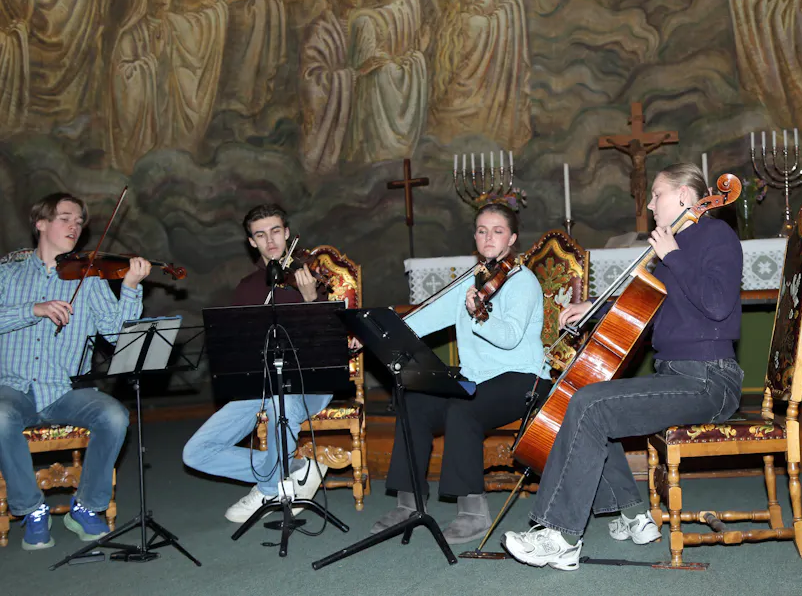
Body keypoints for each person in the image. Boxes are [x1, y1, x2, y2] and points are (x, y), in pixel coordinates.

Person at [502, 162, 744, 570]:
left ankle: (560, 537)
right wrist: (591, 309)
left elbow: (718, 305)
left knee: (591, 405)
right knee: (591, 408)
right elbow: (641, 307)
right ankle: (633, 513)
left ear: (685, 196)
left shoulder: (715, 235)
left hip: (710, 379)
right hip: (677, 375)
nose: (650, 205)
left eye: (657, 195)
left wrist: (673, 256)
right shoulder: (672, 253)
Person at [371, 202, 548, 545]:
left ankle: (473, 511)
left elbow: (511, 338)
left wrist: (480, 315)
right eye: (482, 231)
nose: (489, 237)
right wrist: (381, 333)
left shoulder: (522, 281)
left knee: (463, 407)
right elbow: (424, 320)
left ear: (511, 238)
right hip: (478, 379)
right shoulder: (471, 281)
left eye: (497, 231)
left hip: (523, 377)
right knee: (414, 402)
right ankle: (408, 502)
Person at [0, 193, 150, 551]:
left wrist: (129, 288)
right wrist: (32, 309)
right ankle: (31, 510)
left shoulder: (90, 278)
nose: (74, 227)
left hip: (64, 389)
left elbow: (116, 338)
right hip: (12, 387)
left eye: (79, 222)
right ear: (41, 223)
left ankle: (86, 506)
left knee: (114, 416)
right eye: (65, 218)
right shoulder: (7, 274)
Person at [182, 204, 331, 522]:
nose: (270, 240)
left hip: (311, 383)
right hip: (259, 385)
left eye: (276, 231)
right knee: (195, 452)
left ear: (287, 233)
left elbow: (328, 343)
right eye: (260, 235)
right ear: (252, 242)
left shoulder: (311, 277)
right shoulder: (247, 287)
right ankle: (292, 472)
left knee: (282, 404)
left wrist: (310, 300)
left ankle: (266, 490)